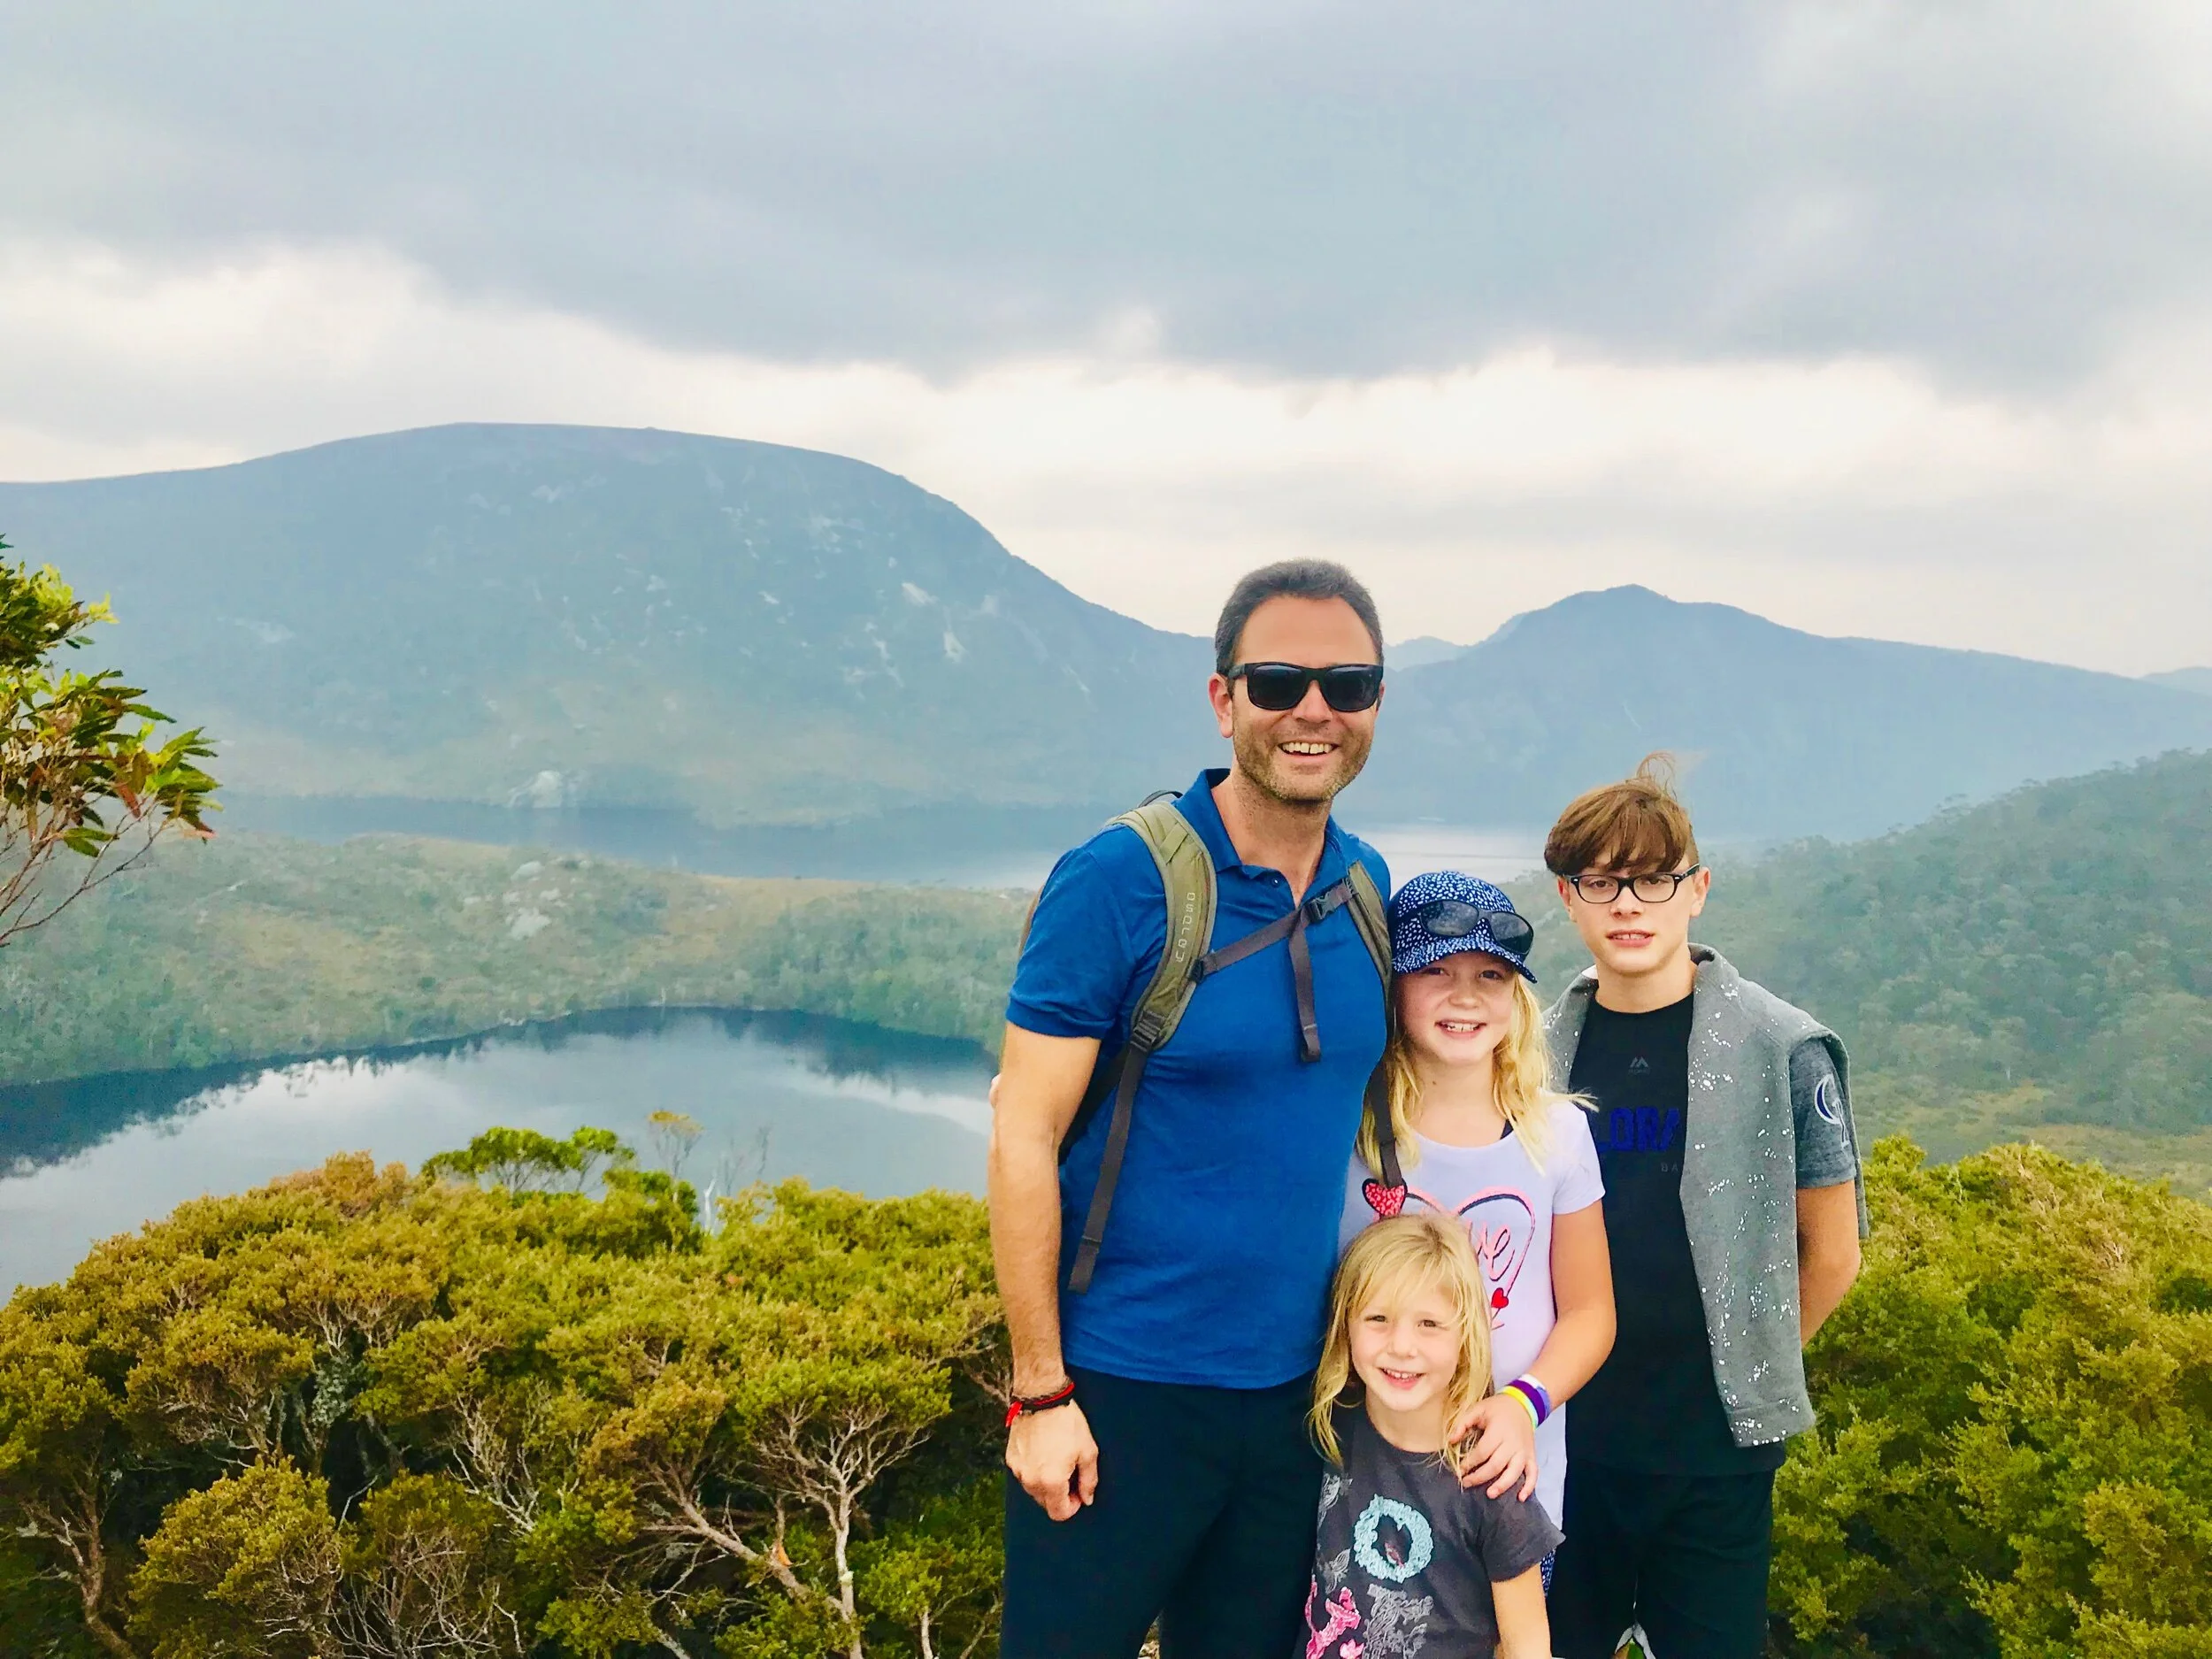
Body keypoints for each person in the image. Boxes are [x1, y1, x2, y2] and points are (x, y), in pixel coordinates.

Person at [990, 559, 1394, 1659]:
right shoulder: (1118, 881)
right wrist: (1038, 1396)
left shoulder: (1364, 888)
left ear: (1373, 707)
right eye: (1278, 681)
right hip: (1121, 1394)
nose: (1313, 710)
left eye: (1346, 686)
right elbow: (1022, 1134)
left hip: (1296, 1403)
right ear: (1224, 700)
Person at [1540, 756, 1866, 1659]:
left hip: (1714, 1455)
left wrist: (1744, 1364)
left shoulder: (1780, 1047)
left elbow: (1831, 1252)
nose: (1627, 905)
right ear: (1568, 897)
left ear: (1696, 891)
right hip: (1567, 1439)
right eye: (1600, 881)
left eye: (1651, 878)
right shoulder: (1535, 1051)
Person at [1340, 869, 1617, 1536]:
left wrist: (1526, 1403)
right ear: (1393, 986)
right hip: (1358, 1475)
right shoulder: (1348, 1131)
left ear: (1516, 996)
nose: (1465, 995)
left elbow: (1591, 1311)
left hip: (1509, 1483)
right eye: (1436, 970)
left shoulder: (1558, 1135)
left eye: (1491, 975)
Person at [1303, 1214, 1560, 1659]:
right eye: (1378, 1318)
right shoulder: (1331, 1428)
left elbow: (1527, 1646)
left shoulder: (1492, 1476)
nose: (1402, 1346)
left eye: (1429, 1324)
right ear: (1346, 1325)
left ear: (1465, 1335)